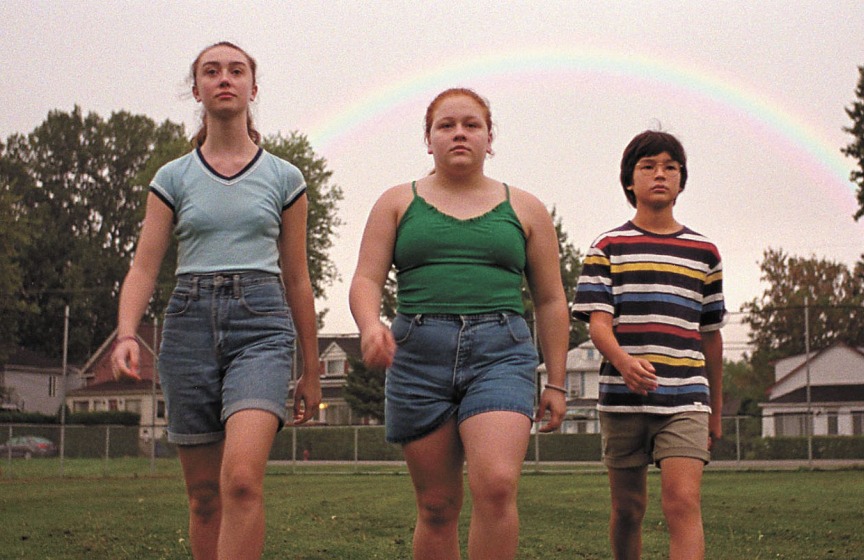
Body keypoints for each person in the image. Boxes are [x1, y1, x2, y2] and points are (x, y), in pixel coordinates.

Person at [110, 41, 321, 560]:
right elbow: (144, 267)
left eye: (236, 70)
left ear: (253, 87)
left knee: (242, 480)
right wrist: (126, 333)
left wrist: (312, 369)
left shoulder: (285, 178)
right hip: (189, 326)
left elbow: (298, 279)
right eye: (211, 71)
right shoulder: (172, 178)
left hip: (261, 326)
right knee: (204, 496)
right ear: (197, 90)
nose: (224, 78)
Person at [349, 87, 569, 559]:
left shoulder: (525, 208)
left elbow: (551, 300)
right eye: (446, 126)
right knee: (436, 506)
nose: (459, 134)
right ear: (428, 140)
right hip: (416, 356)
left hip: (501, 354)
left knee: (497, 485)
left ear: (490, 138)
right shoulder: (396, 202)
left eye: (472, 125)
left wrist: (556, 381)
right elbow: (366, 279)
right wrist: (370, 326)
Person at [572, 130, 726, 559]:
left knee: (682, 503)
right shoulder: (607, 248)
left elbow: (711, 336)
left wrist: (715, 410)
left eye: (670, 167)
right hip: (622, 402)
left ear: (681, 181)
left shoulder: (705, 253)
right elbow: (598, 326)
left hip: (686, 400)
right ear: (629, 180)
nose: (660, 174)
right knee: (628, 509)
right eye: (648, 166)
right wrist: (624, 363)